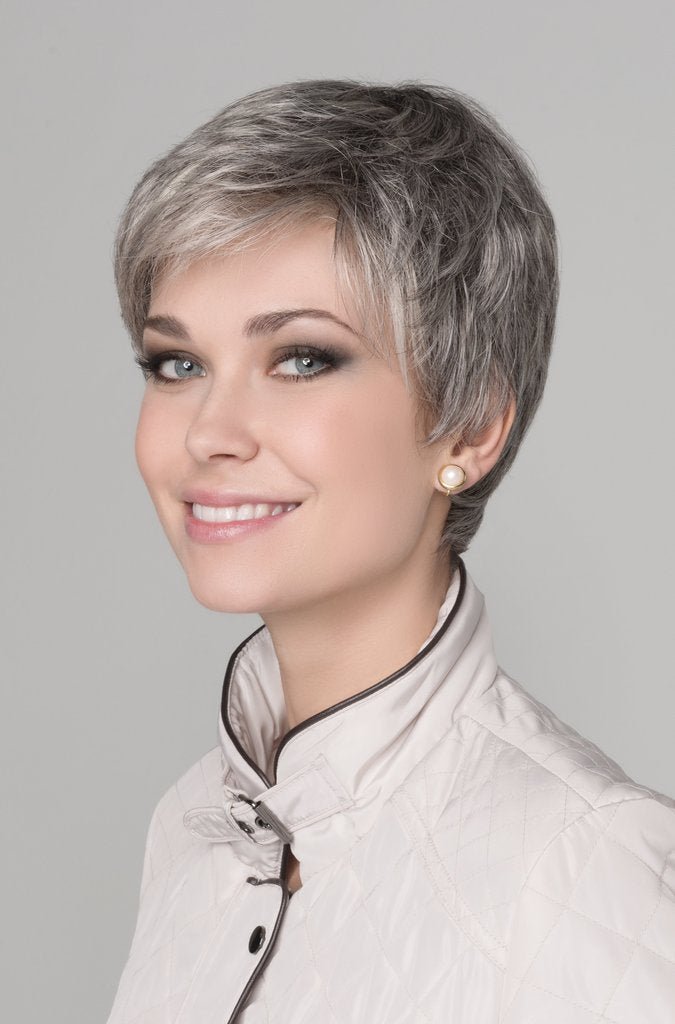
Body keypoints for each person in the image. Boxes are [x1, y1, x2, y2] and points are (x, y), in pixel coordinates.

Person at [107, 81, 675, 1024]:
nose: (208, 432)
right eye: (178, 363)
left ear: (470, 426)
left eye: (301, 358)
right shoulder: (190, 829)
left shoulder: (585, 863)